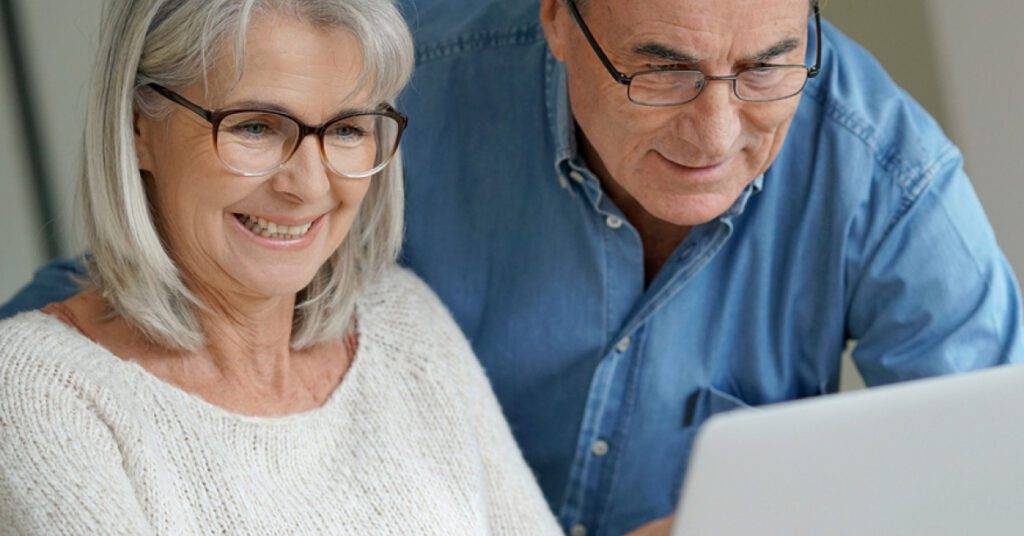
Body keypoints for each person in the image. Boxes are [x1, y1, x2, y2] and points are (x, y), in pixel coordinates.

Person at [4, 0, 1024, 534]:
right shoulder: (420, 87)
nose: (716, 131)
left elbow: (991, 469)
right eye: (658, 65)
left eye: (766, 63)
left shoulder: (399, 321)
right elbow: (121, 314)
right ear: (556, 21)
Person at [0, 0, 562, 533]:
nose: (309, 185)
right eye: (255, 127)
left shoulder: (404, 320)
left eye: (347, 130)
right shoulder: (35, 390)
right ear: (137, 129)